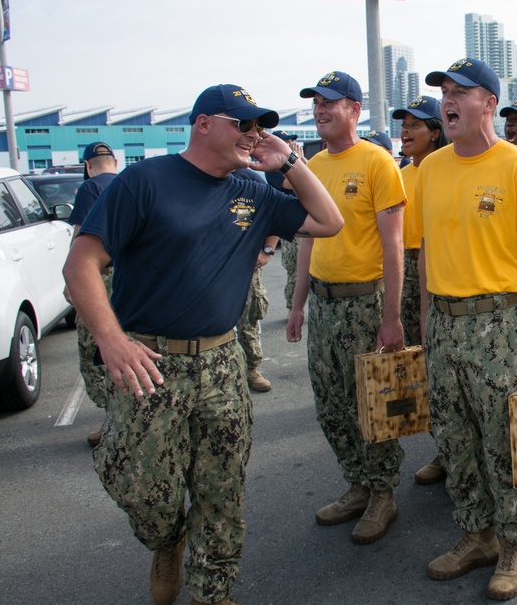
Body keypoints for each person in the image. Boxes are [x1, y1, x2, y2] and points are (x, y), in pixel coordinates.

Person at [62, 83, 343, 605]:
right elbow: (81, 263)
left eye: (259, 126)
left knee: (222, 488)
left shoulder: (252, 191)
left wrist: (290, 164)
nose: (254, 134)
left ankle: (211, 592)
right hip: (149, 362)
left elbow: (329, 221)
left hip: (220, 362)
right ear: (204, 124)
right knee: (139, 485)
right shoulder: (144, 182)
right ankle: (167, 540)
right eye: (243, 124)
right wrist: (112, 341)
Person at [414, 58, 517, 600]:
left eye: (460, 92)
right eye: (444, 92)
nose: (448, 101)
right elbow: (428, 250)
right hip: (445, 326)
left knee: (505, 439)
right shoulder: (430, 169)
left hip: (500, 323)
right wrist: (427, 323)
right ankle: (475, 533)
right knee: (454, 437)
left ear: (489, 104)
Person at [287, 71, 407, 546]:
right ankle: (356, 482)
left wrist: (393, 317)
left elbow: (394, 246)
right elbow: (306, 242)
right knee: (332, 404)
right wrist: (297, 304)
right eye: (315, 102)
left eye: (330, 103)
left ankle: (383, 494)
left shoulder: (377, 162)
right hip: (324, 303)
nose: (320, 110)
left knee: (371, 405)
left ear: (354, 110)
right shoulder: (312, 165)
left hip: (366, 302)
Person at [391, 94, 449, 486]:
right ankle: (443, 448)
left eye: (415, 124)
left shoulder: (446, 170)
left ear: (435, 132)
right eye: (403, 124)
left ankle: (451, 452)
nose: (405, 131)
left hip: (438, 269)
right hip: (405, 272)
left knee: (444, 369)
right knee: (421, 369)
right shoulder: (399, 174)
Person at [66, 141, 119, 447]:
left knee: (96, 348)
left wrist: (70, 281)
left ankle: (113, 418)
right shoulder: (130, 181)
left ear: (87, 166)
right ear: (114, 160)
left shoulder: (90, 189)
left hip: (101, 277)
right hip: (131, 278)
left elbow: (80, 239)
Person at [231, 168, 279, 394]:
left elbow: (275, 215)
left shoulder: (250, 180)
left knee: (248, 320)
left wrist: (267, 250)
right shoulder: (198, 176)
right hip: (209, 267)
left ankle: (251, 369)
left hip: (246, 267)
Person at [267, 131, 304, 311]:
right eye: (287, 142)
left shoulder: (296, 164)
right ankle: (292, 307)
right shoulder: (273, 168)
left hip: (305, 220)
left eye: (292, 141)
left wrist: (300, 161)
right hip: (289, 224)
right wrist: (294, 161)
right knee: (294, 269)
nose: (291, 145)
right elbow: (291, 184)